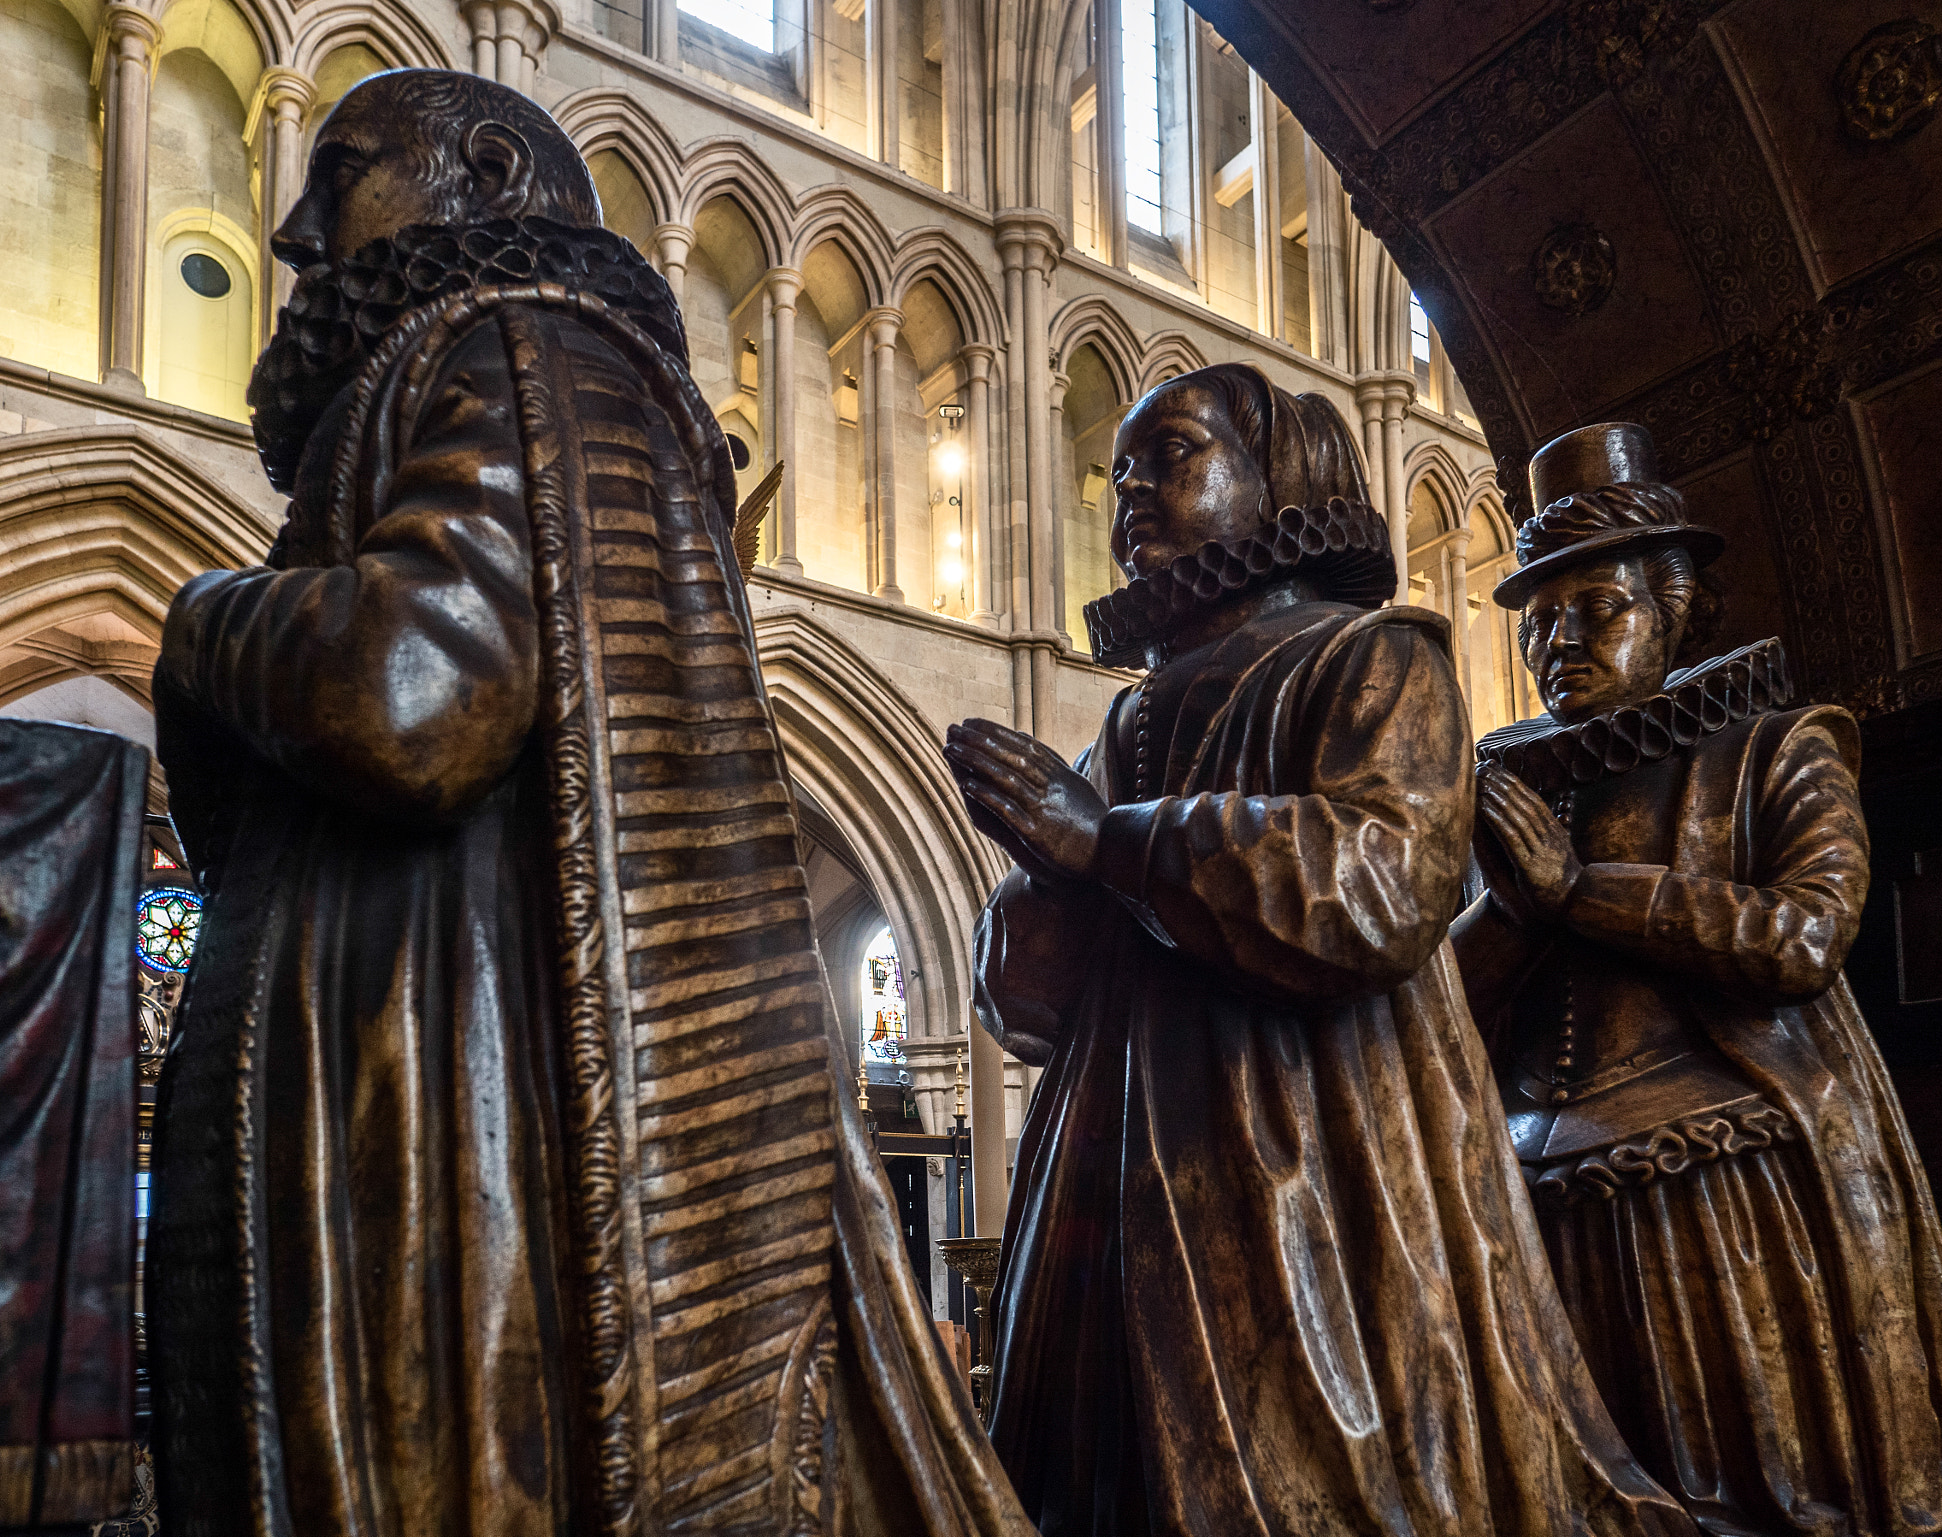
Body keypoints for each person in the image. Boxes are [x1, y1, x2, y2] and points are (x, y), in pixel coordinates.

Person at [147, 68, 1029, 1537]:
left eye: (344, 171)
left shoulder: (513, 338)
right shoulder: (495, 358)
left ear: (488, 169)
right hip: (434, 1069)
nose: (298, 235)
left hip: (460, 1095)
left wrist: (204, 622)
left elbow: (414, 694)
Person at [945, 365, 1690, 1537]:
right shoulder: (1131, 720)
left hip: (1306, 1158)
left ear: (1278, 480)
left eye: (1173, 453)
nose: (1130, 483)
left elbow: (1381, 884)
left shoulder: (1371, 659)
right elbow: (1032, 1012)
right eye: (1121, 467)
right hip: (1115, 1161)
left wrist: (1106, 841)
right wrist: (1046, 878)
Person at [1455, 422, 1942, 1537]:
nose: (1558, 642)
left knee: (1766, 1495)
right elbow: (1440, 1007)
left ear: (1673, 611)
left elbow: (1801, 937)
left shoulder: (1777, 747)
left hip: (1723, 1179)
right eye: (1539, 620)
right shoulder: (1513, 784)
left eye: (1597, 609)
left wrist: (1575, 889)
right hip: (1537, 1201)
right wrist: (1511, 903)